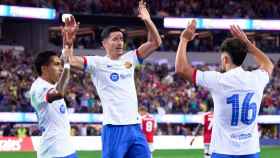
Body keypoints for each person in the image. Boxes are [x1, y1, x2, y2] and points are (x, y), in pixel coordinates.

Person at [61, 0, 161, 157]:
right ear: (104, 43)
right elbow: (69, 60)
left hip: (135, 127)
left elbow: (155, 42)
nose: (120, 42)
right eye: (115, 39)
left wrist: (148, 21)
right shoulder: (97, 62)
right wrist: (68, 42)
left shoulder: (131, 58)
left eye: (121, 39)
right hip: (114, 129)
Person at [175, 20, 273, 158]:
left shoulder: (218, 80)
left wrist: (184, 39)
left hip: (223, 151)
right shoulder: (257, 78)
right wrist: (248, 44)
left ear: (225, 59)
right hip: (250, 150)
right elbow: (268, 64)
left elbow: (181, 69)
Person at [30, 49, 78, 158]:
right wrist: (67, 65)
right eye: (56, 64)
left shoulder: (51, 86)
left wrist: (66, 48)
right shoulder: (38, 87)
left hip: (67, 149)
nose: (60, 69)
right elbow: (59, 93)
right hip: (52, 151)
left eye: (60, 65)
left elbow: (62, 83)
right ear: (44, 68)